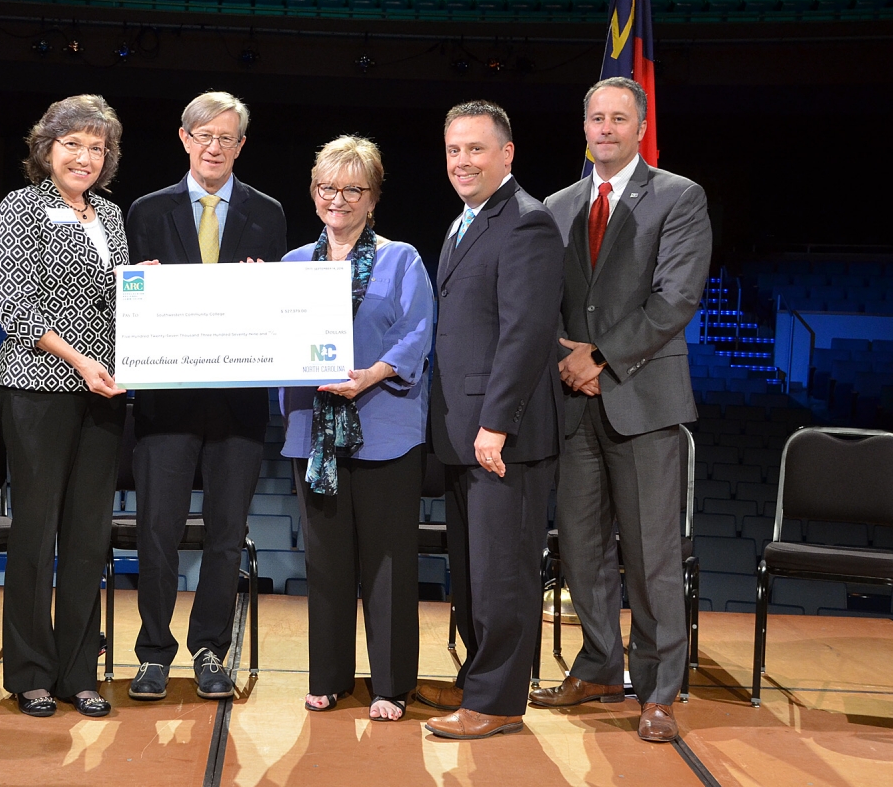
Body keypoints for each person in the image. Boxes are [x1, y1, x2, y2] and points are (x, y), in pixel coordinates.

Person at [529, 77, 712, 743]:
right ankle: (601, 667)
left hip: (643, 402)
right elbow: (538, 298)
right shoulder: (556, 206)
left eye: (618, 119)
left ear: (640, 128)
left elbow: (676, 298)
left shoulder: (679, 196)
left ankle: (658, 691)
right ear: (584, 128)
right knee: (582, 552)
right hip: (574, 403)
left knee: (651, 557)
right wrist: (565, 358)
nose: (605, 129)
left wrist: (600, 357)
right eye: (596, 118)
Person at [124, 91, 287, 701]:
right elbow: (125, 300)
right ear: (184, 139)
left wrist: (265, 289)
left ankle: (210, 649)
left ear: (241, 145)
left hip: (238, 404)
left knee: (225, 533)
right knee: (156, 531)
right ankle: (153, 653)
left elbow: (276, 311)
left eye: (226, 138)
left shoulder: (268, 213)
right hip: (165, 401)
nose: (214, 147)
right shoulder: (146, 211)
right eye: (203, 135)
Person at [421, 101, 565, 741]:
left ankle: (498, 702)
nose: (462, 161)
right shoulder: (465, 222)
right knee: (475, 572)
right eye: (454, 150)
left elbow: (526, 335)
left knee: (502, 574)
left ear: (506, 154)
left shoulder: (527, 222)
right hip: (462, 431)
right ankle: (479, 680)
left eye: (476, 149)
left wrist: (497, 423)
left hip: (502, 436)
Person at [280, 136, 434, 722]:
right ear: (313, 191)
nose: (337, 199)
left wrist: (373, 374)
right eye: (327, 187)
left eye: (352, 189)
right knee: (325, 562)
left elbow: (418, 331)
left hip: (386, 426)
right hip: (312, 432)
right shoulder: (292, 265)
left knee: (388, 563)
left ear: (372, 198)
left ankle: (391, 684)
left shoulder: (402, 259)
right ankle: (329, 678)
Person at [0, 95, 134, 718]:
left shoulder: (111, 214)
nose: (85, 157)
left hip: (104, 394)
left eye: (96, 148)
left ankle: (79, 671)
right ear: (47, 149)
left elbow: (117, 299)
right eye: (72, 144)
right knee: (35, 531)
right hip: (38, 388)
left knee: (87, 536)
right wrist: (79, 360)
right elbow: (15, 306)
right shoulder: (19, 208)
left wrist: (144, 287)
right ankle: (29, 672)